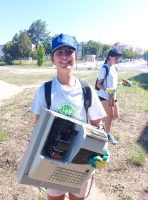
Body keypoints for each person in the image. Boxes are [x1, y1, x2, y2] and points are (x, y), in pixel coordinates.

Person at [31, 34, 108, 200]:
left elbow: (98, 125)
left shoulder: (87, 90)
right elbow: (39, 129)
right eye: (59, 53)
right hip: (53, 160)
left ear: (76, 56)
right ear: (52, 59)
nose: (65, 57)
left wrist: (103, 150)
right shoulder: (44, 91)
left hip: (81, 161)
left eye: (69, 52)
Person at [96, 49, 122, 145]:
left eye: (119, 58)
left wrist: (121, 83)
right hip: (105, 96)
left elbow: (112, 83)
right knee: (110, 116)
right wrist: (107, 90)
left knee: (115, 116)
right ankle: (107, 134)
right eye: (116, 58)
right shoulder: (104, 68)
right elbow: (99, 84)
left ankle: (99, 125)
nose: (118, 60)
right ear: (110, 57)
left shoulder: (113, 68)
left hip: (112, 96)